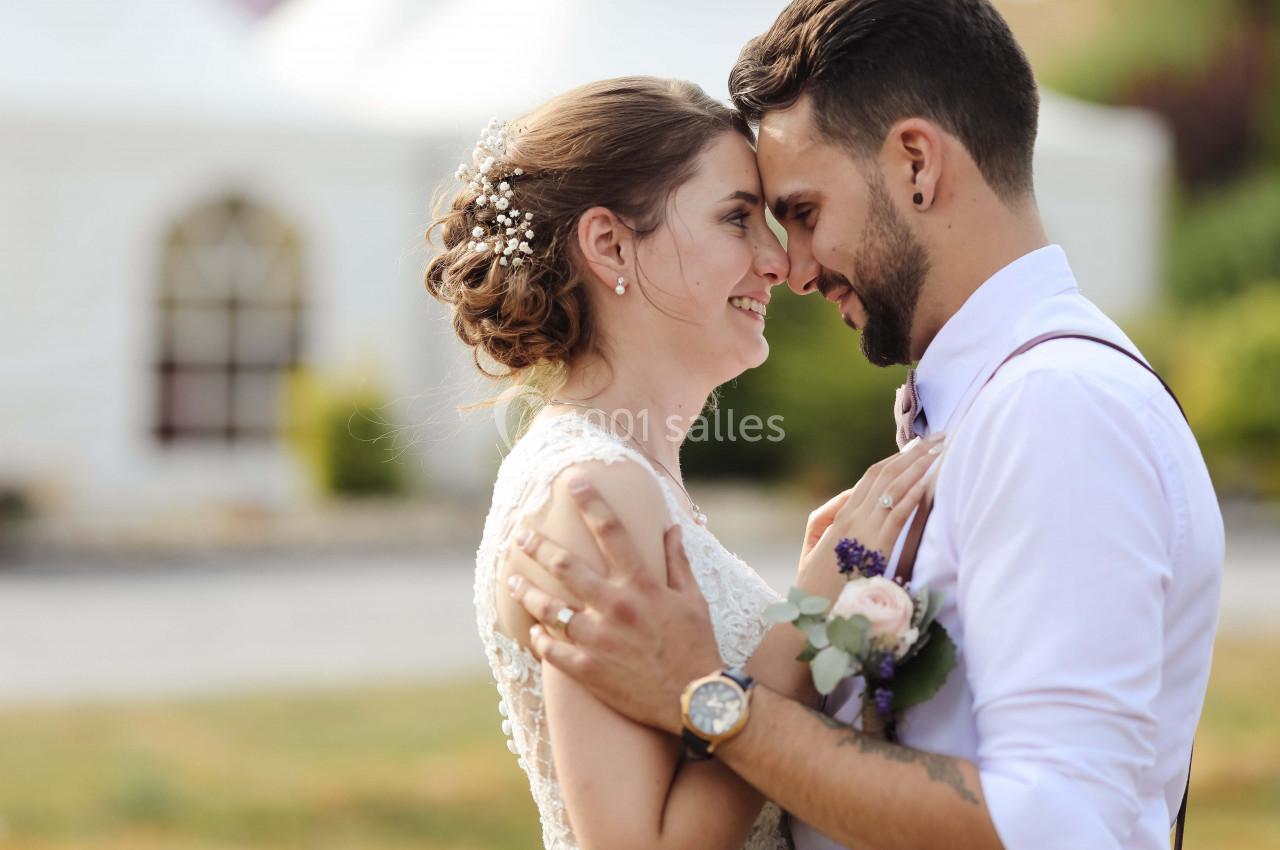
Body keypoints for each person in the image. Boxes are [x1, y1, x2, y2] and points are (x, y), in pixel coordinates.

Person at [507, 2, 1225, 849]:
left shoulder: (1055, 407)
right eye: (752, 220)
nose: (793, 268)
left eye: (802, 213)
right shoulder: (991, 405)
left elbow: (1061, 823)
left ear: (917, 166)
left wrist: (712, 699)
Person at [426, 76, 941, 849]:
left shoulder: (630, 479)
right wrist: (808, 611)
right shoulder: (594, 493)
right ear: (608, 244)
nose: (779, 261)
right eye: (737, 218)